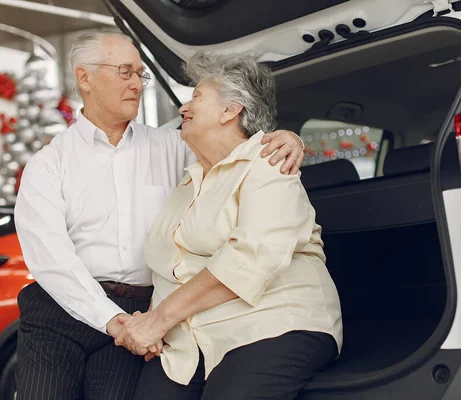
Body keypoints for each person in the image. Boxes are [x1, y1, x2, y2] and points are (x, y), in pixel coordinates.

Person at [13, 32, 305, 400]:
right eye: (124, 72)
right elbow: (50, 258)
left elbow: (233, 159)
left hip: (141, 311)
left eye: (140, 74)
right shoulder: (48, 164)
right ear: (84, 77)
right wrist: (110, 319)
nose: (137, 83)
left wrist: (285, 138)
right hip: (60, 311)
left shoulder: (176, 146)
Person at [118, 52, 343, 400]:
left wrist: (158, 320)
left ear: (230, 110)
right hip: (190, 341)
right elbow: (169, 269)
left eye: (197, 97)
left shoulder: (267, 162)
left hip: (272, 324)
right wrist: (151, 327)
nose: (183, 108)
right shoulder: (187, 181)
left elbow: (251, 258)